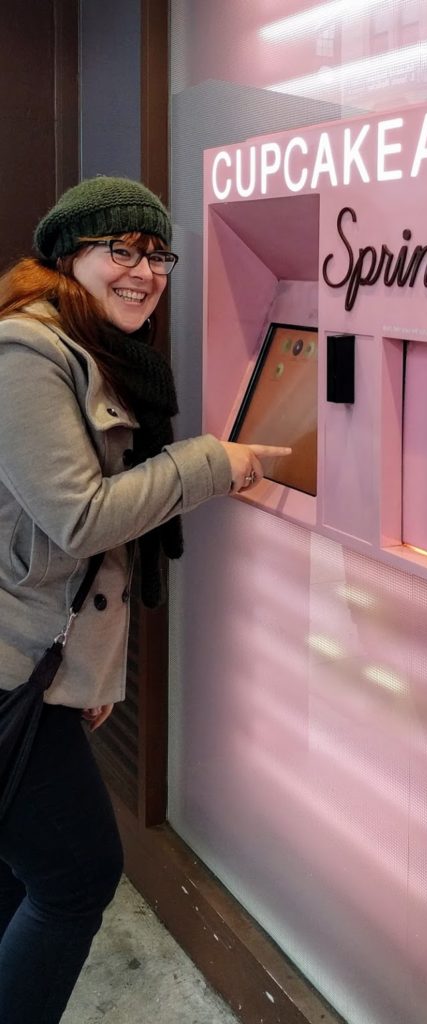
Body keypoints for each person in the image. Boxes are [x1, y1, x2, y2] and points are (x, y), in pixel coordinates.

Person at [0, 176, 289, 1023]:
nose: (144, 270)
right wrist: (215, 462)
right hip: (13, 662)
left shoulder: (98, 348)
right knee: (77, 879)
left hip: (39, 663)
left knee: (21, 870)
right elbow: (81, 518)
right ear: (67, 256)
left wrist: (91, 679)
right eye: (118, 250)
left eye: (156, 252)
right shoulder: (28, 351)